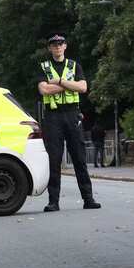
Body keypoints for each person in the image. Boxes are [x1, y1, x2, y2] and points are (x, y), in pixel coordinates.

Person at [37, 33, 101, 212]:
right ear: (50, 48)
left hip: (72, 115)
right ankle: (53, 202)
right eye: (53, 45)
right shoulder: (44, 67)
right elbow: (44, 90)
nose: (57, 47)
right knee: (54, 160)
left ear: (65, 46)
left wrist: (59, 81)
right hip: (53, 117)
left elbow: (83, 87)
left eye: (60, 44)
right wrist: (69, 84)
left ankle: (88, 199)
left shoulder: (74, 65)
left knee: (80, 158)